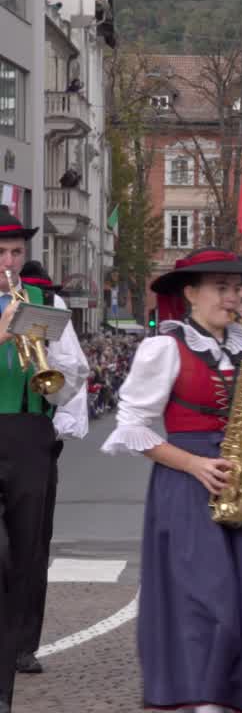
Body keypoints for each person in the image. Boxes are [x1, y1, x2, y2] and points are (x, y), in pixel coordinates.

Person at [101, 247, 242, 713]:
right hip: (186, 483)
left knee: (241, 604)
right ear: (190, 293)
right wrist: (194, 465)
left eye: (236, 288)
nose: (233, 298)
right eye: (220, 288)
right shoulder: (165, 347)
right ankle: (200, 698)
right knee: (209, 601)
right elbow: (133, 428)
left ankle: (222, 699)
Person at [0, 208, 87, 713]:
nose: (10, 263)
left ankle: (20, 644)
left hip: (30, 433)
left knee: (30, 546)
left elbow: (73, 374)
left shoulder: (45, 302)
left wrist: (48, 358)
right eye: (2, 254)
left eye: (16, 253)